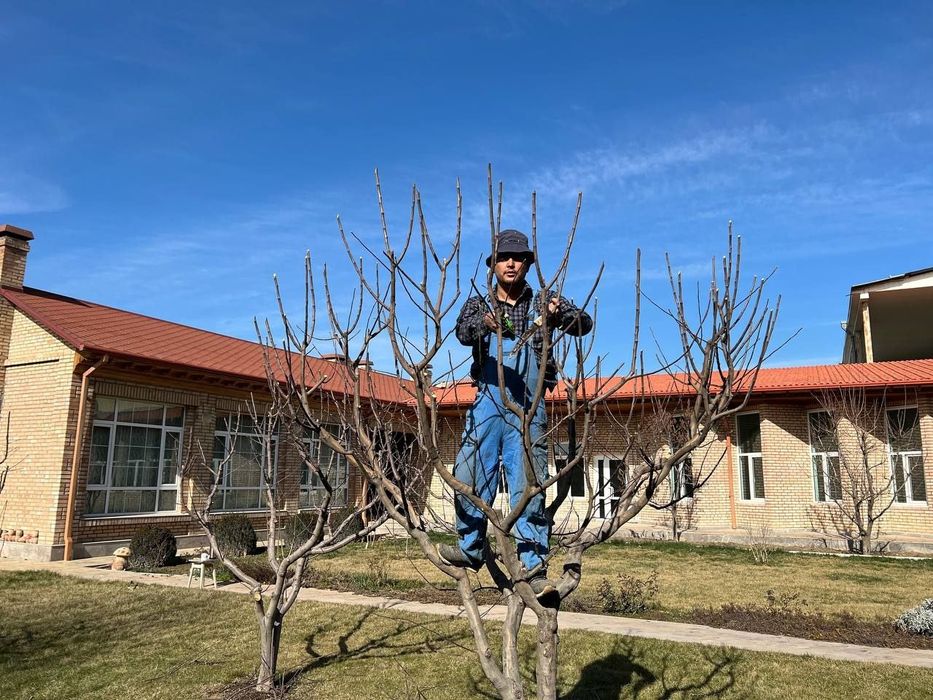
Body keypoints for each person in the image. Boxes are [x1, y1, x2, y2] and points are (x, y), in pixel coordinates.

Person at [439, 229, 593, 596]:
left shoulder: (543, 301)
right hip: (489, 400)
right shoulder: (480, 304)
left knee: (530, 485)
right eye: (504, 257)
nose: (511, 263)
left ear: (527, 264)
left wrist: (560, 315)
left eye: (519, 257)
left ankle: (534, 568)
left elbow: (584, 324)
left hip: (529, 404)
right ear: (493, 265)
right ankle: (470, 547)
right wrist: (485, 325)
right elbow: (462, 332)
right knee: (469, 473)